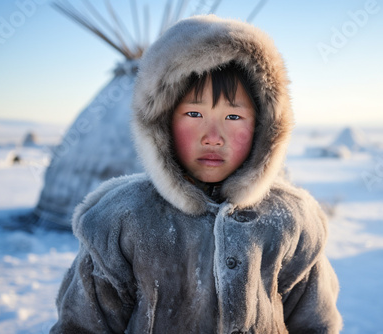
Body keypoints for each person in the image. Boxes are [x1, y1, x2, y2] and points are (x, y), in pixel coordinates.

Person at [51, 15, 342, 333]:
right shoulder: (120, 222)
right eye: (194, 113)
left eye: (233, 115)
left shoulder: (292, 221)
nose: (213, 136)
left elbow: (316, 324)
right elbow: (81, 326)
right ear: (162, 121)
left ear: (264, 125)